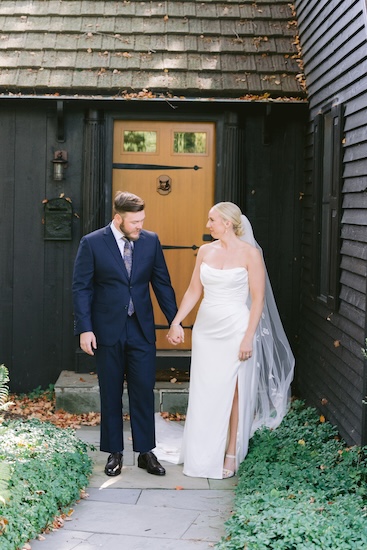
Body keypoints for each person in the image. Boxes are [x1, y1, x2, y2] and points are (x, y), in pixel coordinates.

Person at [162, 202, 295, 479]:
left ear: (227, 223)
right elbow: (193, 291)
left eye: (211, 220)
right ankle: (202, 450)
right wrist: (177, 321)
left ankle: (231, 453)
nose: (207, 225)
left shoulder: (250, 254)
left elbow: (258, 299)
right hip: (206, 331)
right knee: (205, 389)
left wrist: (248, 338)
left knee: (234, 391)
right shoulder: (205, 252)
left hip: (236, 329)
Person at [72, 191, 178, 477]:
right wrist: (85, 328)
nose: (139, 226)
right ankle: (114, 452)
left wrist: (175, 321)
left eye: (142, 220)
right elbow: (82, 288)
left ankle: (145, 453)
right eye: (134, 222)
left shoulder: (151, 241)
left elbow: (162, 284)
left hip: (141, 328)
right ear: (117, 218)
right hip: (106, 329)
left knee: (144, 389)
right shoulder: (92, 243)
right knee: (111, 391)